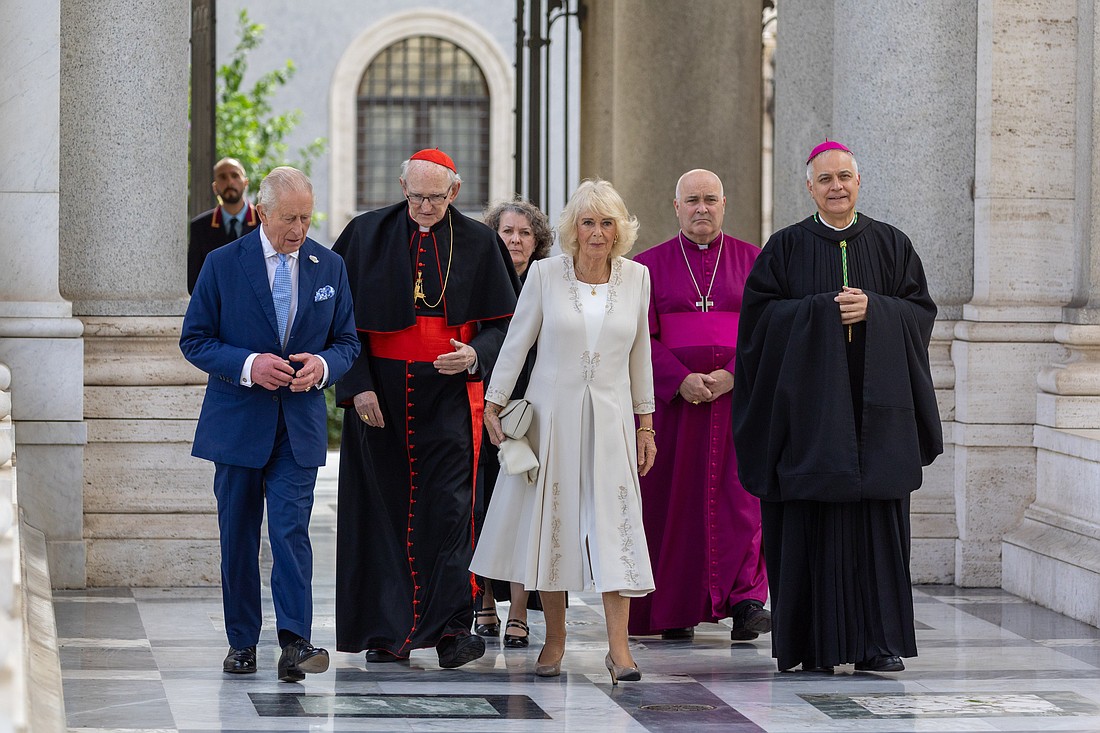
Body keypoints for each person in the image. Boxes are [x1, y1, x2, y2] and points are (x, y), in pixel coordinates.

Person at [732, 140, 942, 674]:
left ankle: (878, 643)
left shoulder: (894, 245)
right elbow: (757, 327)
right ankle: (810, 646)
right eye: (825, 179)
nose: (836, 187)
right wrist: (824, 315)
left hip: (878, 419)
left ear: (858, 181)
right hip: (808, 422)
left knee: (877, 528)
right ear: (809, 187)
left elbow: (920, 312)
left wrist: (877, 310)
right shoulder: (783, 248)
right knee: (809, 525)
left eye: (844, 176)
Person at [333, 149, 520, 669]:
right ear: (402, 188)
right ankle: (385, 632)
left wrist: (475, 354)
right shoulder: (365, 235)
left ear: (453, 194)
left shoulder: (480, 242)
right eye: (413, 196)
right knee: (382, 512)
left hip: (448, 399)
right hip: (381, 400)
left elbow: (505, 325)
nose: (422, 207)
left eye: (434, 198)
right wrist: (357, 386)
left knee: (450, 512)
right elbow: (335, 322)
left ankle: (452, 632)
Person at [472, 178, 657, 684]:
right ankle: (554, 641)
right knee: (551, 525)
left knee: (615, 528)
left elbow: (641, 355)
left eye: (607, 223)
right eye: (588, 222)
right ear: (574, 228)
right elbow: (516, 341)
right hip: (551, 418)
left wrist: (646, 423)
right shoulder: (546, 276)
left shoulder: (638, 278)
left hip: (613, 421)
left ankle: (619, 649)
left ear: (620, 230)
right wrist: (494, 401)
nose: (597, 233)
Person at [180, 167, 360, 681]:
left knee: (291, 534)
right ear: (263, 213)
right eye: (289, 219)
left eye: (306, 217)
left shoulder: (329, 267)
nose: (299, 229)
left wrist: (322, 368)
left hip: (298, 428)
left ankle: (296, 643)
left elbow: (347, 343)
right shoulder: (222, 264)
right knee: (238, 537)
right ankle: (242, 642)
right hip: (237, 423)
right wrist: (249, 365)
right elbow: (195, 339)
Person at [628, 169, 770, 643]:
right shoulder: (645, 268)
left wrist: (733, 373)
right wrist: (679, 379)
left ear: (724, 203)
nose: (702, 208)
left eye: (710, 199)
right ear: (676, 207)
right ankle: (677, 607)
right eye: (692, 200)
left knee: (740, 503)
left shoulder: (755, 261)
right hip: (673, 408)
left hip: (737, 404)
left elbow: (766, 332)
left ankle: (747, 602)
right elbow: (637, 340)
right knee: (674, 504)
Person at [472, 197, 553, 648]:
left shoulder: (549, 284)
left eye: (525, 233)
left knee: (526, 513)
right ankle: (484, 602)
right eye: (507, 232)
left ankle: (519, 612)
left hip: (534, 413)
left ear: (537, 241)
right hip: (482, 411)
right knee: (484, 511)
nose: (516, 240)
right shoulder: (479, 283)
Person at [188, 157, 260, 293]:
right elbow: (194, 281)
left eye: (235, 175)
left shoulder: (264, 222)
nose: (230, 182)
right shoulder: (199, 227)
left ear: (245, 183)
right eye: (222, 177)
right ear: (215, 187)